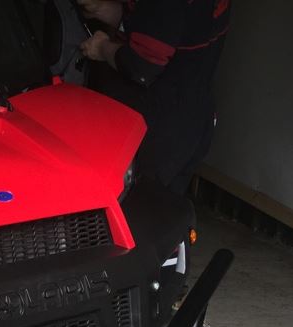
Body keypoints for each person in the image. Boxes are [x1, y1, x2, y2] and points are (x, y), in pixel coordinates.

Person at [76, 0, 232, 195]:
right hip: (192, 121)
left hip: (155, 133)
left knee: (134, 211)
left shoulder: (165, 5)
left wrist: (101, 48)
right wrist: (110, 11)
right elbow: (171, 28)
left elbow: (141, 67)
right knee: (161, 208)